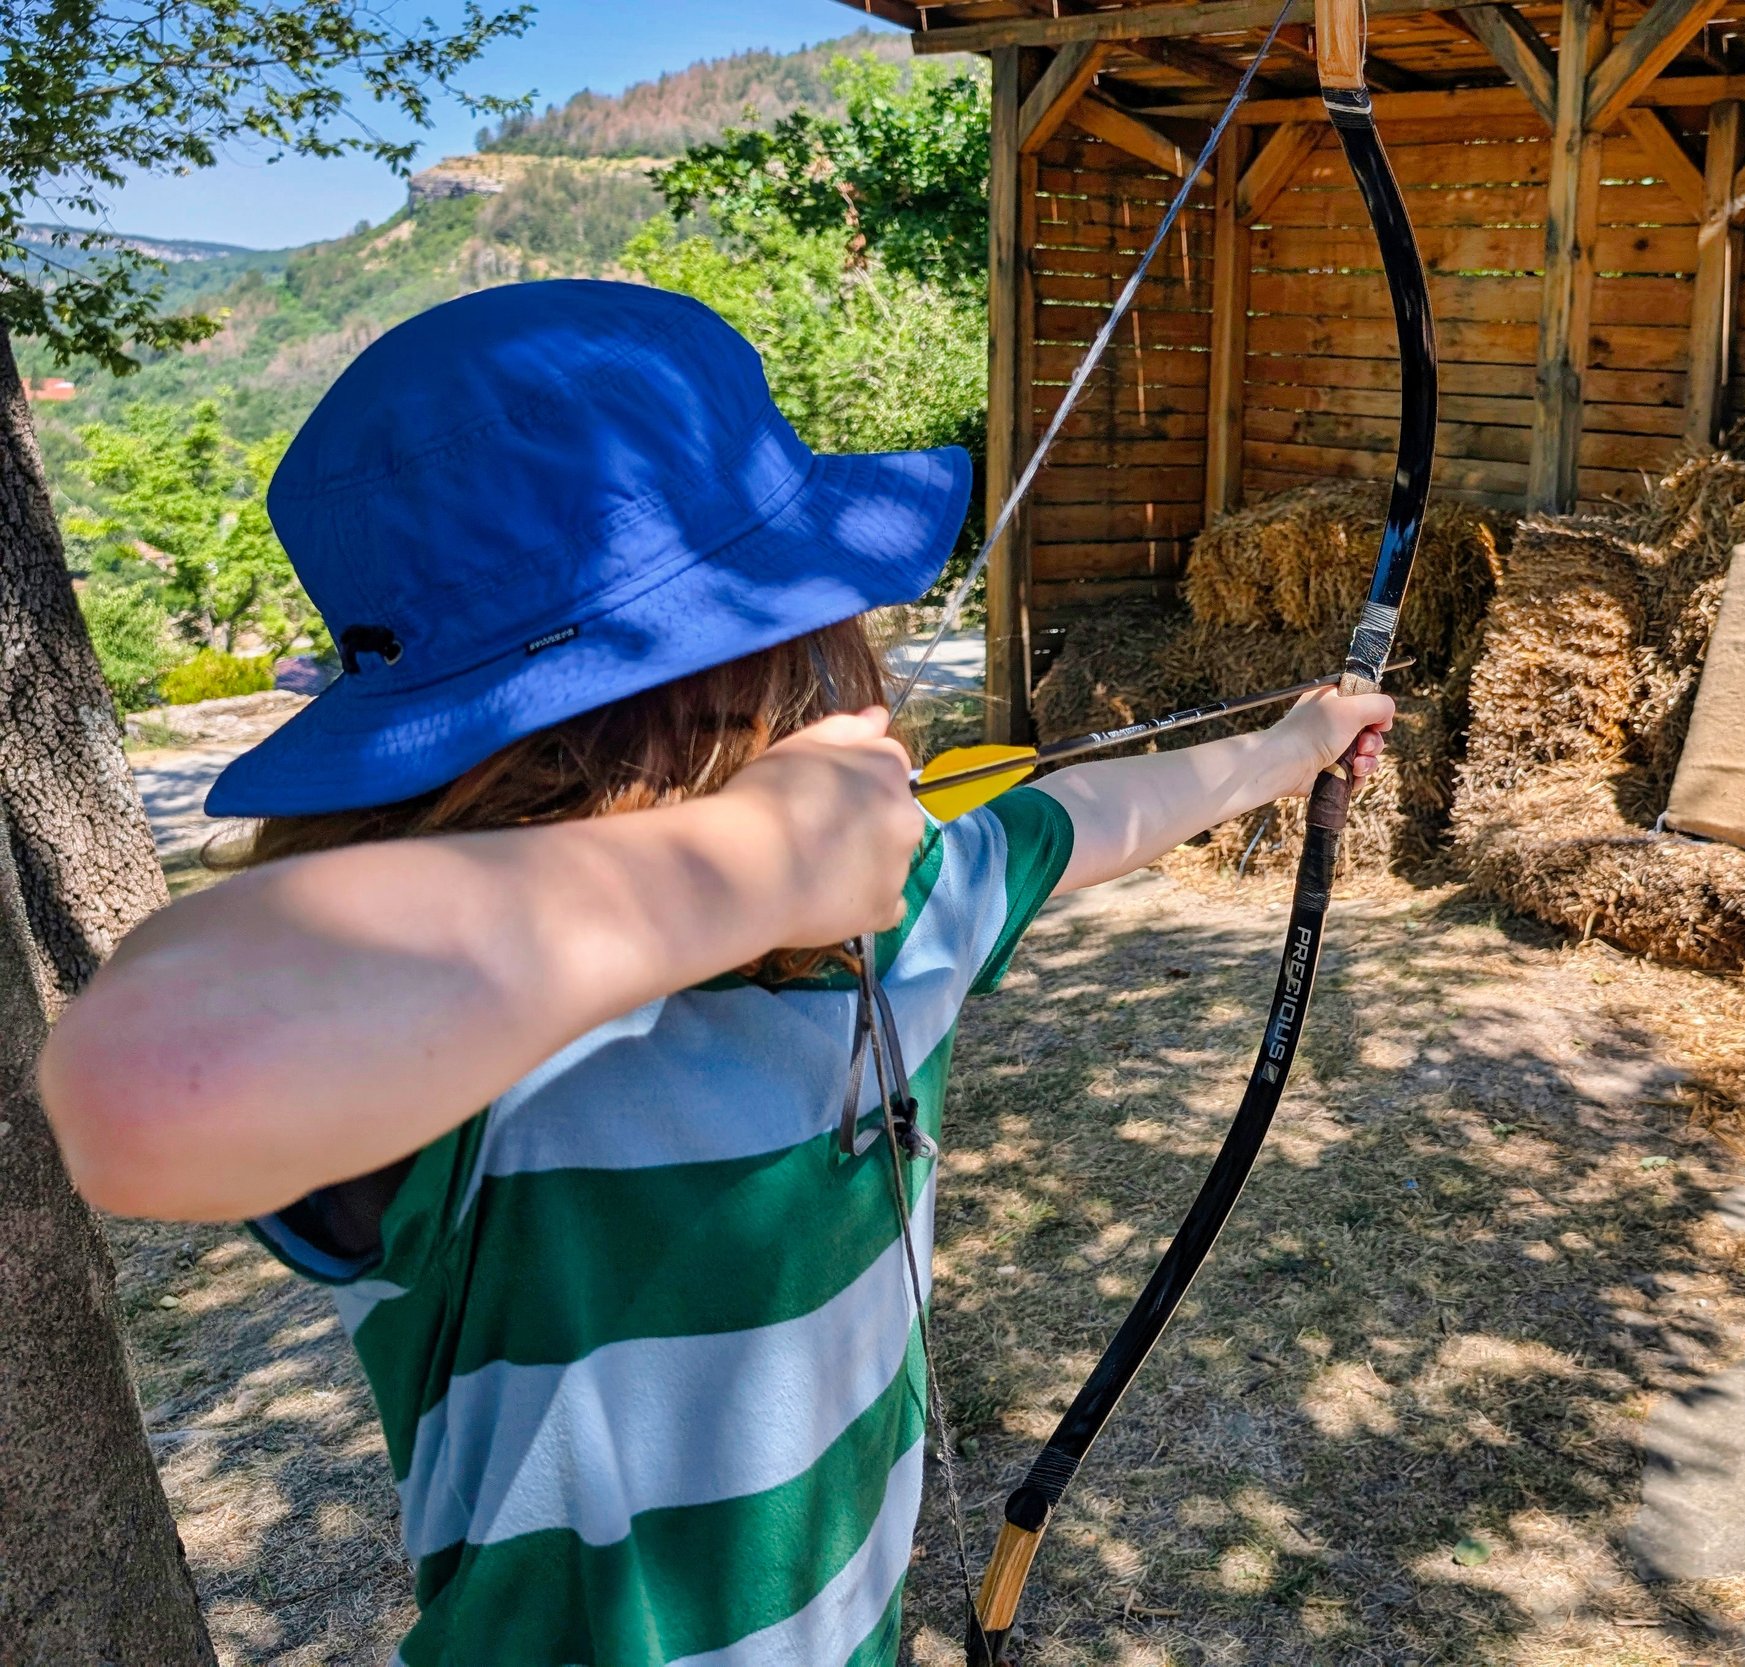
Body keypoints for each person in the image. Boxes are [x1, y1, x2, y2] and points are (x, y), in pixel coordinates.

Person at [39, 279, 1391, 1667]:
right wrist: (750, 862)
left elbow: (1086, 814)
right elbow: (150, 1075)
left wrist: (1291, 746)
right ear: (786, 660)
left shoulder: (893, 915)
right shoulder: (478, 1057)